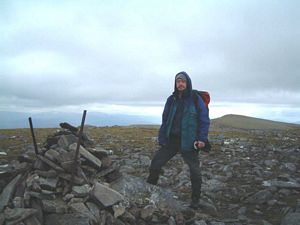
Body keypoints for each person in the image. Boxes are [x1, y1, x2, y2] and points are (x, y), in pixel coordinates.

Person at [147, 71, 210, 209]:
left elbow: (204, 119)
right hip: (172, 140)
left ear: (187, 83)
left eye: (183, 81)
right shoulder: (172, 99)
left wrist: (202, 139)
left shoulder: (195, 99)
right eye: (178, 81)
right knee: (156, 162)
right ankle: (148, 191)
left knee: (194, 170)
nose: (180, 84)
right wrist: (162, 137)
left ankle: (195, 201)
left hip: (189, 141)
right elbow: (165, 119)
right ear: (175, 84)